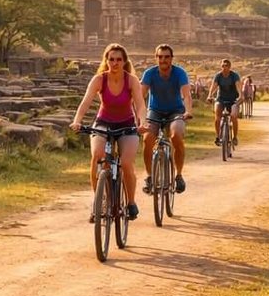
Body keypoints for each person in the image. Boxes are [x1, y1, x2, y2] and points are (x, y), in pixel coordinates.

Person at [71, 43, 145, 221]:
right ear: (106, 60)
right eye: (111, 59)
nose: (115, 63)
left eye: (119, 59)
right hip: (103, 123)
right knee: (97, 155)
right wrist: (77, 121)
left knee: (126, 163)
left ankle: (131, 202)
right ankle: (98, 202)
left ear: (124, 61)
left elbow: (140, 105)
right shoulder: (99, 79)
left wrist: (143, 122)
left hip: (127, 124)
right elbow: (86, 102)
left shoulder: (131, 80)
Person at [139, 44, 192, 194]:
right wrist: (138, 115)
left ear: (171, 58)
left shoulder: (179, 73)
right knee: (147, 138)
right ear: (156, 58)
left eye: (167, 57)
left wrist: (188, 111)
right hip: (154, 111)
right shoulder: (149, 73)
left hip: (175, 111)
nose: (163, 60)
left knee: (176, 135)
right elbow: (140, 96)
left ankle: (179, 175)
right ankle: (149, 176)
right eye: (160, 57)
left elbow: (186, 95)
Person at [210, 58, 241, 147]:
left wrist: (240, 96)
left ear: (230, 67)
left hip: (233, 100)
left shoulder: (234, 76)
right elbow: (214, 86)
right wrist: (210, 95)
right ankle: (218, 136)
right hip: (221, 99)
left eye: (226, 66)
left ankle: (235, 137)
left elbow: (238, 86)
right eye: (223, 66)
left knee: (234, 116)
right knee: (217, 116)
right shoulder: (218, 76)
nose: (224, 67)